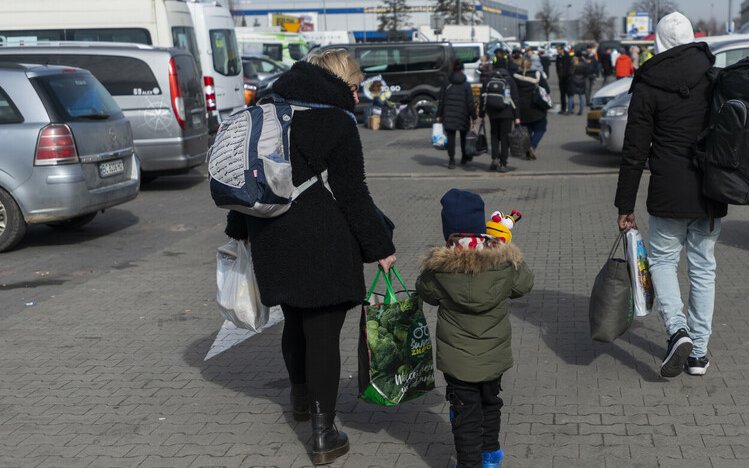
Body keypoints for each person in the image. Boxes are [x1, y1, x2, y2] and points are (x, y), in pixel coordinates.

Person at [223, 49, 397, 466]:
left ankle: (301, 400)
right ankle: (324, 434)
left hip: (271, 235)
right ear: (337, 82)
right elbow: (354, 194)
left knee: (295, 320)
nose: (357, 97)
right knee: (322, 334)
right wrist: (381, 249)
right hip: (323, 238)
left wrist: (240, 230)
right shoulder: (336, 120)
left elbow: (244, 175)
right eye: (354, 87)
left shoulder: (266, 109)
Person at [614, 12, 724, 379]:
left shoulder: (648, 83)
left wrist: (624, 205)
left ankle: (677, 330)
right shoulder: (714, 77)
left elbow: (633, 150)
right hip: (710, 189)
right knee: (703, 267)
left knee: (662, 261)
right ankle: (699, 353)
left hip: (667, 189)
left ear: (658, 42)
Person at [417, 189, 533, 468]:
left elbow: (425, 292)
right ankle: (490, 456)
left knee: (464, 413)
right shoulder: (501, 259)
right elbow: (524, 284)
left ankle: (469, 463)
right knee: (491, 402)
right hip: (494, 355)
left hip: (458, 361)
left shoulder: (439, 268)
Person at [479, 67, 521, 172]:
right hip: (507, 114)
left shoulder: (488, 81)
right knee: (505, 139)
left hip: (492, 113)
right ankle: (503, 163)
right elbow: (515, 99)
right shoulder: (510, 81)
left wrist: (482, 114)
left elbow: (483, 98)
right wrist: (517, 117)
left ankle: (494, 158)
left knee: (494, 137)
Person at [512, 56, 550, 160]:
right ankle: (532, 146)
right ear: (530, 65)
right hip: (536, 107)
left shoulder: (515, 77)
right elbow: (547, 89)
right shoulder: (537, 75)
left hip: (521, 108)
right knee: (541, 127)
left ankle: (528, 151)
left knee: (527, 130)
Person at [437, 70, 476, 169]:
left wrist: (439, 114)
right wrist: (474, 116)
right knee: (464, 137)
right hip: (463, 115)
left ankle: (451, 161)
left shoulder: (447, 84)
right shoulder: (466, 85)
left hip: (449, 115)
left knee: (451, 138)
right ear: (462, 71)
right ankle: (464, 157)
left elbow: (441, 100)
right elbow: (470, 102)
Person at [555, 44, 573, 114]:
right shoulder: (558, 57)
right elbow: (557, 67)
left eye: (558, 50)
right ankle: (563, 108)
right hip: (561, 78)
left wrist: (569, 75)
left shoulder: (567, 56)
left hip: (567, 78)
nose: (557, 51)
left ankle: (571, 108)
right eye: (557, 50)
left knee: (569, 94)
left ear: (562, 50)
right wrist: (559, 75)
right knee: (562, 94)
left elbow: (570, 67)